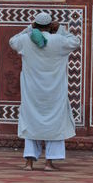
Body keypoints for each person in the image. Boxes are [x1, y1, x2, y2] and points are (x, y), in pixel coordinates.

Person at [9, 12, 80, 171]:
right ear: (50, 26)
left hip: (32, 92)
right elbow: (76, 41)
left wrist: (29, 28)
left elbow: (12, 41)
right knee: (54, 125)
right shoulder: (60, 41)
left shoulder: (25, 40)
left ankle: (29, 163)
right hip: (55, 92)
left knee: (31, 123)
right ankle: (49, 163)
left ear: (35, 25)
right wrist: (60, 28)